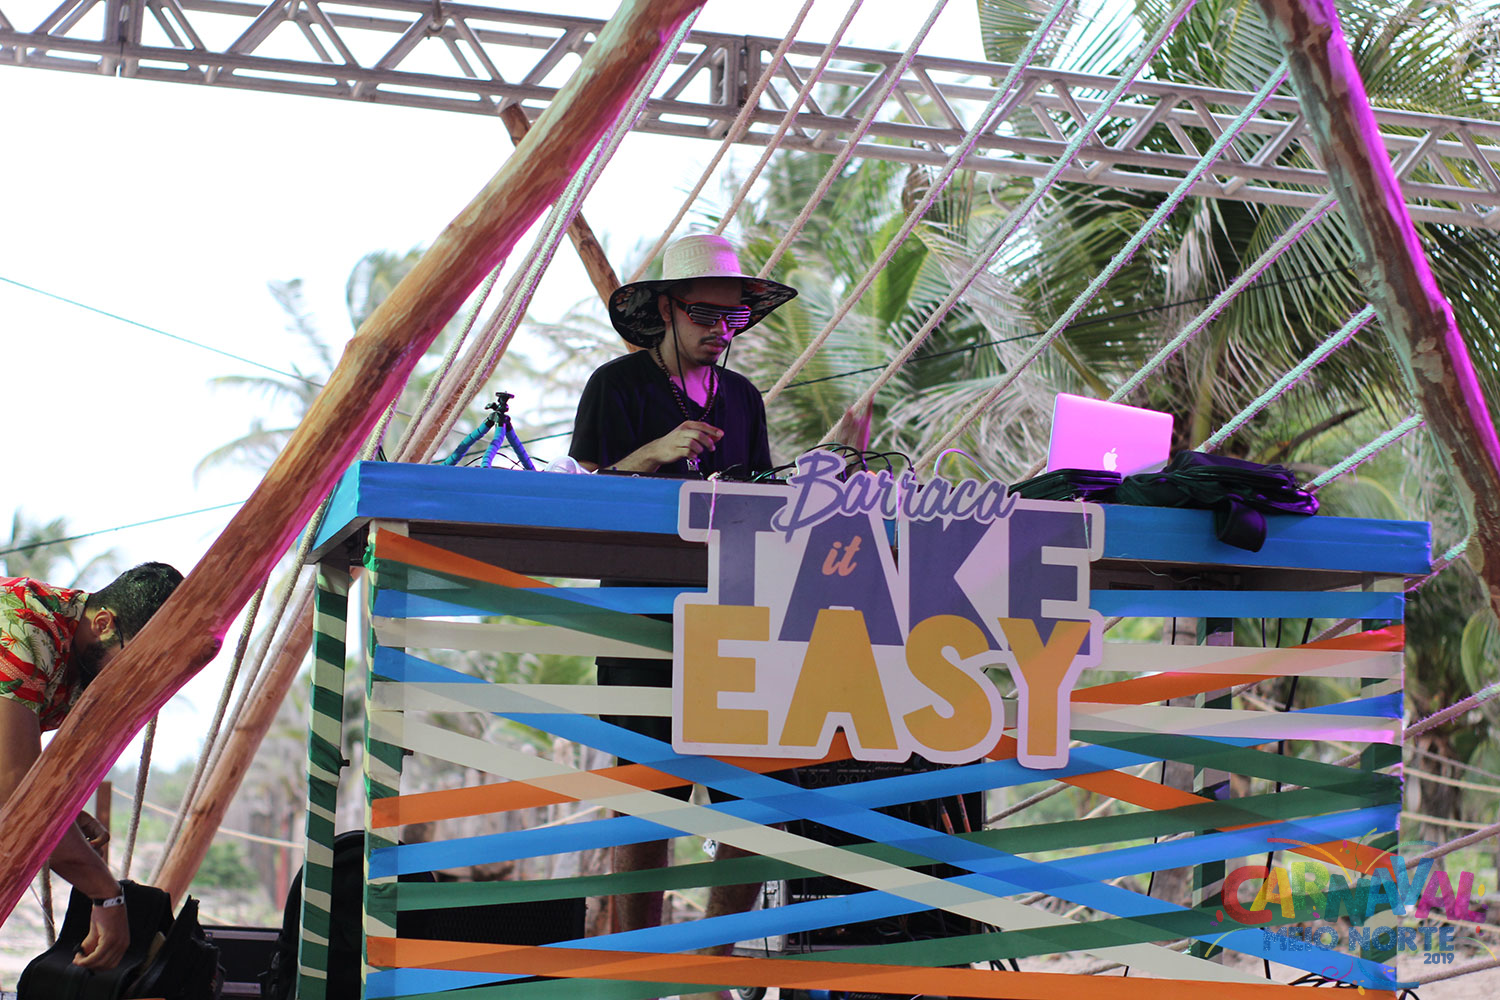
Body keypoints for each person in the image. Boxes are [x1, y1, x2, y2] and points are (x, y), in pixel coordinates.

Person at [569, 235, 869, 998]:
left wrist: (829, 468)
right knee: (648, 802)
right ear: (664, 309)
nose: (722, 330)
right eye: (705, 314)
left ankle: (715, 976)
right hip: (639, 613)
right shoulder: (615, 385)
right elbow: (581, 500)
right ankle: (637, 980)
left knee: (752, 796)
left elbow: (760, 503)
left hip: (735, 612)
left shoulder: (742, 398)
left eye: (733, 318)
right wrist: (651, 454)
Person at [0, 562, 184, 971]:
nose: (134, 681)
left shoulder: (79, 659)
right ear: (103, 624)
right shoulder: (21, 627)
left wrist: (64, 816)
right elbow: (14, 793)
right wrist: (106, 894)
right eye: (134, 663)